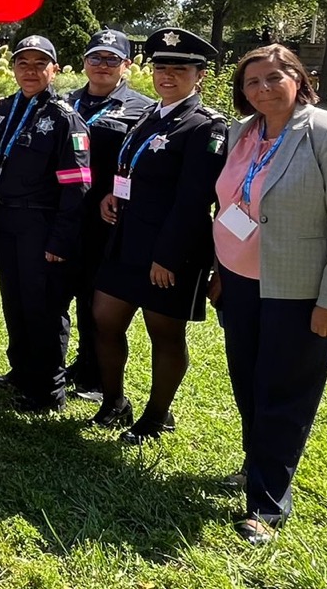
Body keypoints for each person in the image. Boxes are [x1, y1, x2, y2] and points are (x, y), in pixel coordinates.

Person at [211, 45, 327, 545]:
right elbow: (229, 206)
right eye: (252, 82)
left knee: (285, 393)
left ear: (300, 79)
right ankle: (258, 463)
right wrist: (218, 271)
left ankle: (267, 503)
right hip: (239, 281)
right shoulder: (242, 134)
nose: (262, 89)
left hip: (297, 289)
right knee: (248, 384)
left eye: (274, 78)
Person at [91, 28, 228, 441]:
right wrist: (112, 195)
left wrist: (167, 256)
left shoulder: (206, 126)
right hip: (127, 240)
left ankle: (156, 416)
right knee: (104, 319)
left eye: (180, 67)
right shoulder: (152, 115)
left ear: (199, 74)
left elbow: (193, 200)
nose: (168, 75)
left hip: (170, 252)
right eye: (161, 66)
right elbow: (131, 168)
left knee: (164, 334)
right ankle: (114, 400)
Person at [0, 34, 91, 412]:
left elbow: (77, 187)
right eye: (23, 63)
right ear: (13, 68)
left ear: (55, 69)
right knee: (15, 299)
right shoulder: (7, 108)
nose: (30, 71)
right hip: (9, 216)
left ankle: (48, 389)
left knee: (44, 305)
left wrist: (60, 241)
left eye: (39, 64)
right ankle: (22, 370)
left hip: (42, 221)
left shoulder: (65, 117)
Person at [64, 29, 154, 401]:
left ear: (126, 65)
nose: (102, 66)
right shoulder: (67, 102)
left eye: (111, 59)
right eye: (96, 58)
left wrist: (114, 194)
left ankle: (98, 375)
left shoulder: (141, 108)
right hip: (67, 212)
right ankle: (72, 365)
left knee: (96, 298)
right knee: (64, 292)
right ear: (84, 62)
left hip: (106, 217)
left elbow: (139, 163)